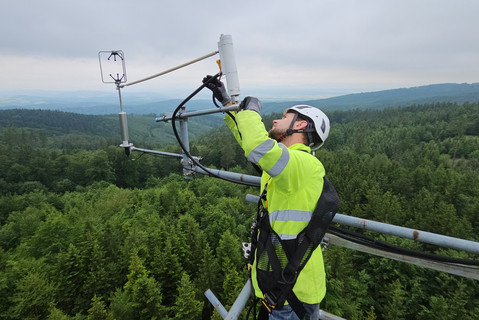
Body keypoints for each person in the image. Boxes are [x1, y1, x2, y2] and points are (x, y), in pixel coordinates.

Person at [203, 76, 338, 320]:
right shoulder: (288, 164)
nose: (276, 120)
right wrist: (228, 106)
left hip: (290, 293)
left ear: (299, 126)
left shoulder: (305, 164)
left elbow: (257, 146)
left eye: (284, 118)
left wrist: (252, 110)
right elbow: (252, 146)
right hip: (284, 287)